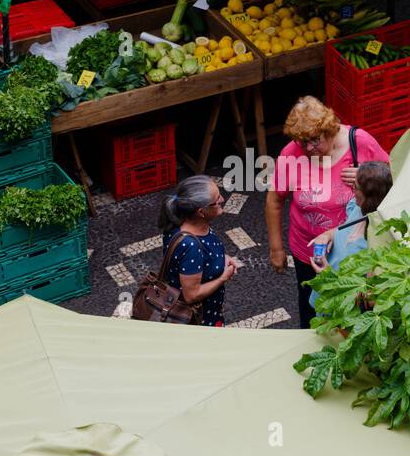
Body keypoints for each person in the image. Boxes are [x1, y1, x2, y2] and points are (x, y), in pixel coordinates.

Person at [266, 97, 388, 329]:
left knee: (352, 315)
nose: (309, 149)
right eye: (303, 142)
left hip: (356, 254)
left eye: (315, 141)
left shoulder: (359, 142)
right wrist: (276, 249)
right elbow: (274, 200)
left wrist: (365, 174)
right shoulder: (292, 153)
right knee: (313, 312)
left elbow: (391, 177)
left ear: (330, 130)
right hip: (310, 252)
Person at [307, 161, 393, 311]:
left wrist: (330, 276)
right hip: (324, 297)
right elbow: (345, 228)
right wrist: (328, 235)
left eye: (356, 187)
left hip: (342, 310)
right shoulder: (358, 208)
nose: (352, 190)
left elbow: (372, 299)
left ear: (370, 195)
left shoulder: (379, 239)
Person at [158, 175, 237, 327]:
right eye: (217, 198)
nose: (222, 199)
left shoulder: (184, 224)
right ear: (201, 212)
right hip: (200, 320)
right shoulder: (191, 246)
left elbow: (202, 257)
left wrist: (221, 259)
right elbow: (191, 295)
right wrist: (223, 278)